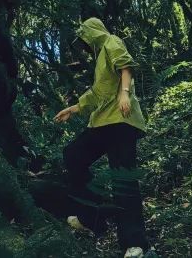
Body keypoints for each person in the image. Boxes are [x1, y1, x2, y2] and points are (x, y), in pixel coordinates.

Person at [54, 17, 149, 258]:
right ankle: (93, 217)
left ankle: (134, 243)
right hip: (102, 122)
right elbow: (97, 94)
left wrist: (125, 94)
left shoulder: (111, 41)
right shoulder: (99, 60)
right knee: (73, 155)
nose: (84, 44)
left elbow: (126, 66)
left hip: (121, 121)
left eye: (84, 38)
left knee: (123, 179)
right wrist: (74, 109)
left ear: (92, 33)